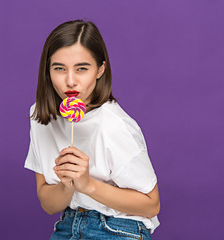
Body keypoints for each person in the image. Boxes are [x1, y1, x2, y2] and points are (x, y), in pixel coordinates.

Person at [24, 20, 160, 240]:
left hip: (120, 228)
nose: (70, 81)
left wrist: (87, 185)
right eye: (59, 68)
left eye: (82, 69)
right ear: (47, 71)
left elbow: (152, 205)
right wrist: (66, 186)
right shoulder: (40, 118)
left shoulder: (115, 125)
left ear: (100, 69)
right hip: (67, 225)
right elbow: (48, 204)